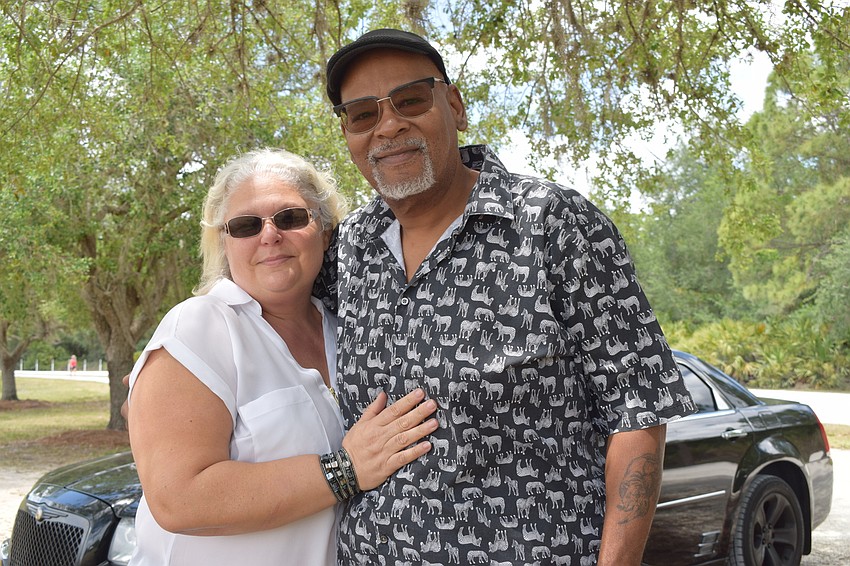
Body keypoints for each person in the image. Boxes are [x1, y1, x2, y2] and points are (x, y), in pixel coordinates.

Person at [321, 29, 697, 565]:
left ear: (455, 106)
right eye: (362, 114)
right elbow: (269, 306)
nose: (388, 125)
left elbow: (637, 412)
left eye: (410, 100)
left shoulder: (553, 222)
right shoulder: (351, 246)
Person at [126, 148, 438, 566]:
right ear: (225, 243)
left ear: (325, 232)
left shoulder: (350, 329)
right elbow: (178, 499)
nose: (269, 235)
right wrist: (346, 469)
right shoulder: (199, 328)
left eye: (290, 218)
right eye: (245, 226)